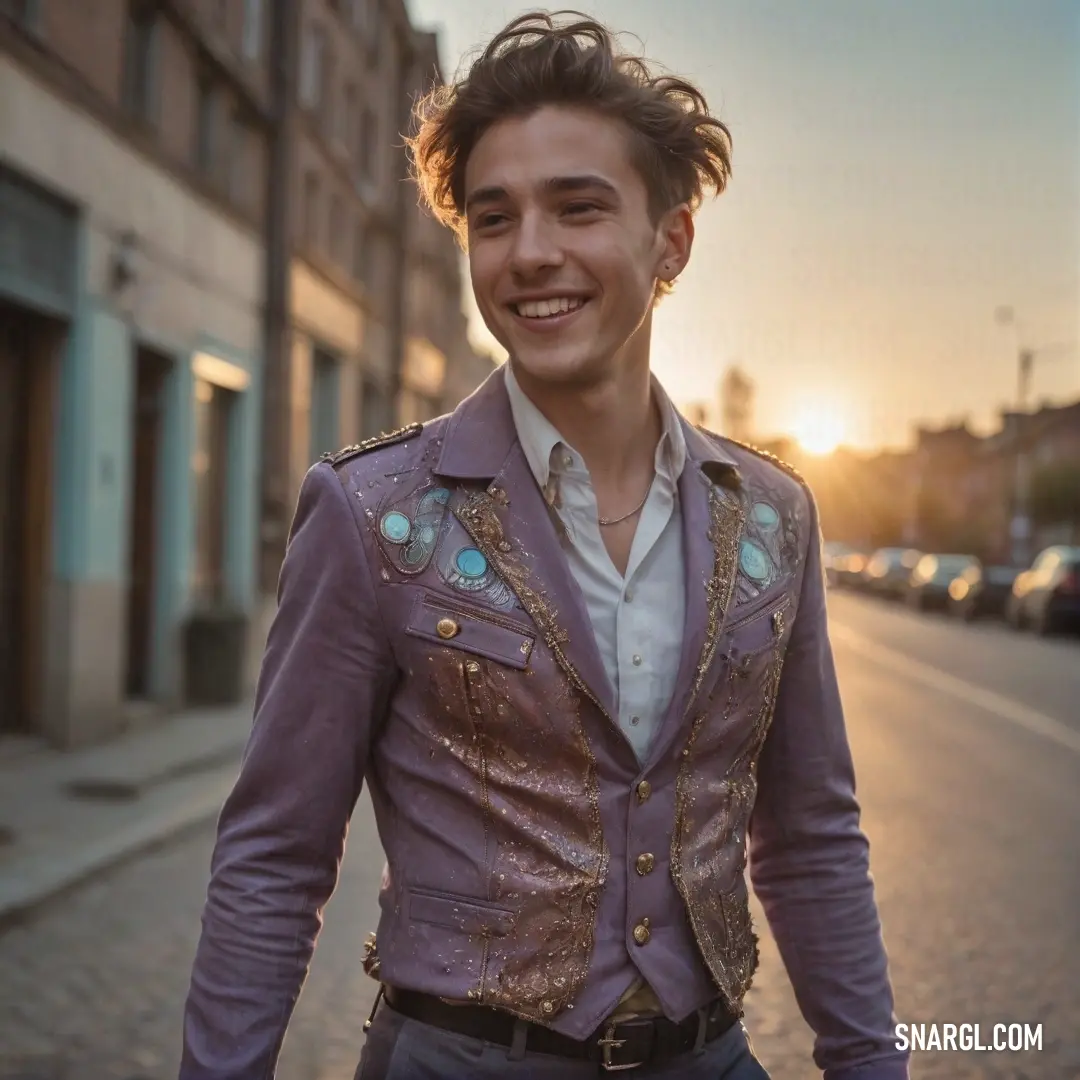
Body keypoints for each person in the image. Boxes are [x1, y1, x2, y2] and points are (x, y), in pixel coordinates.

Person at [179, 11, 909, 1080]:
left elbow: (810, 840)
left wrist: (872, 1064)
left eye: (578, 207)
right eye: (493, 217)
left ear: (671, 240)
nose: (530, 255)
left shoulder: (774, 516)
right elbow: (275, 857)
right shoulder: (370, 513)